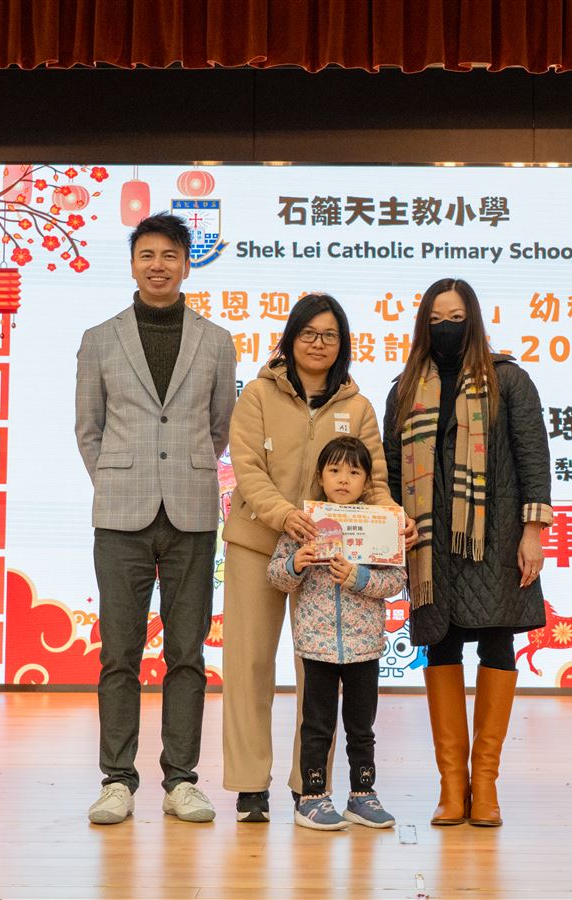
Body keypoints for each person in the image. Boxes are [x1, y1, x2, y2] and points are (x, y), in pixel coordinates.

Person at [76, 213, 237, 825]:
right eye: (147, 254)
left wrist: (181, 474)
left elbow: (219, 428)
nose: (158, 265)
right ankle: (117, 779)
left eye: (170, 255)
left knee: (187, 652)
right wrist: (119, 480)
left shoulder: (216, 341)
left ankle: (181, 780)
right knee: (119, 651)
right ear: (133, 263)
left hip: (191, 513)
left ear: (187, 264)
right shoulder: (100, 338)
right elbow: (88, 429)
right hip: (121, 515)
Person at [221, 293, 399, 824]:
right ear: (291, 337)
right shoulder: (257, 394)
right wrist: (284, 516)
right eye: (309, 333)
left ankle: (310, 786)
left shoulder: (358, 407)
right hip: (259, 542)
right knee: (250, 665)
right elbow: (247, 467)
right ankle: (250, 785)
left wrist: (394, 519)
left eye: (330, 335)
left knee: (319, 670)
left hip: (330, 555)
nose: (319, 343)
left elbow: (376, 481)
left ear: (343, 344)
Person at [383, 277, 553, 828]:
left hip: (496, 538)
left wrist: (534, 532)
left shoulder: (509, 380)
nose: (446, 329)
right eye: (436, 320)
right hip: (430, 544)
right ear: (423, 326)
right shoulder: (405, 389)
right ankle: (452, 787)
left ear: (473, 320)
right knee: (442, 645)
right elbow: (390, 470)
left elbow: (534, 460)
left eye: (456, 319)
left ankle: (486, 786)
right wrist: (395, 528)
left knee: (499, 643)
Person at [266, 436, 408, 830]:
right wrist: (296, 563)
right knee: (316, 725)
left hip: (365, 646)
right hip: (317, 645)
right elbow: (276, 576)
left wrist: (359, 577)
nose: (343, 479)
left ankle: (363, 795)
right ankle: (312, 797)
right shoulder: (303, 524)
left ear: (367, 481)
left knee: (362, 728)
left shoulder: (379, 524)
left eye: (354, 472)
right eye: (334, 470)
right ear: (320, 476)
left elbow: (396, 580)